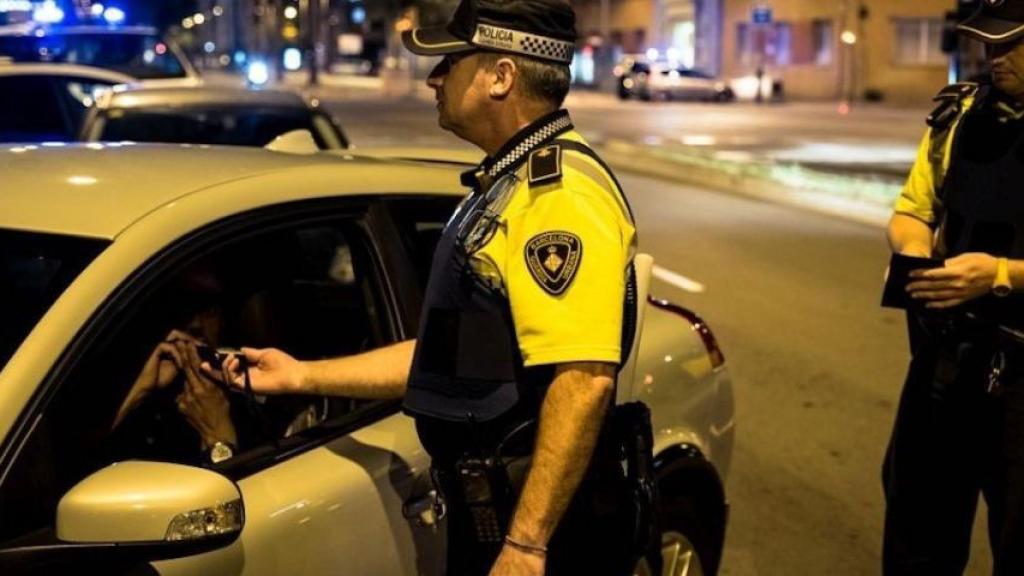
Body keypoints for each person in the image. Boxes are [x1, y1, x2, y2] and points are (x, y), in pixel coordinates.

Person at [210, 0, 640, 574]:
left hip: (543, 534)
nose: (434, 79)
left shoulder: (559, 198)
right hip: (495, 515)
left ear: (501, 76)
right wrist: (302, 376)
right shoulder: (507, 184)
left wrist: (526, 545)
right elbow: (449, 357)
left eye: (450, 62)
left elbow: (583, 380)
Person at [883, 1, 1024, 573]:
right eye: (988, 43)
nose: (994, 56)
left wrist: (999, 275)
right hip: (948, 360)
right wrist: (914, 254)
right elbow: (912, 210)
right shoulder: (959, 116)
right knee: (916, 534)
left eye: (1011, 43)